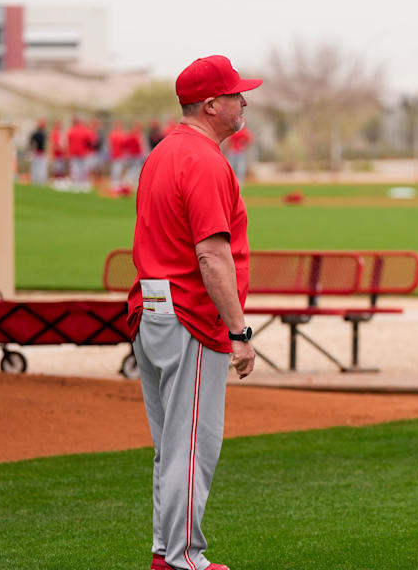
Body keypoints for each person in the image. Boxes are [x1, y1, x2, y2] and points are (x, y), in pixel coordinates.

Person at [128, 54, 261, 570]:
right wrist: (240, 331)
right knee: (191, 445)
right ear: (211, 104)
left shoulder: (162, 152)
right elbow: (211, 254)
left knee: (171, 445)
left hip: (152, 309)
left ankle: (167, 553)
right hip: (189, 317)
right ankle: (185, 558)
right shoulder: (204, 160)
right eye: (235, 95)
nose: (243, 101)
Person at [27, 119, 48, 185]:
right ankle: (35, 181)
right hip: (36, 153)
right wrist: (31, 151)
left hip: (42, 153)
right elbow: (32, 143)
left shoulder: (44, 133)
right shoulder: (35, 133)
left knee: (42, 169)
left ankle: (41, 181)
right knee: (35, 168)